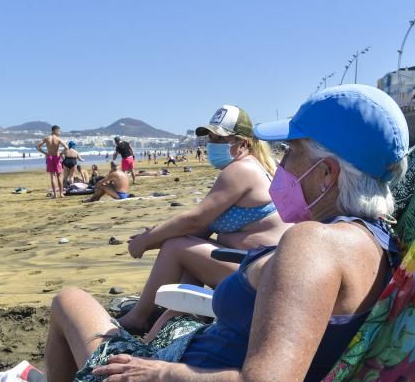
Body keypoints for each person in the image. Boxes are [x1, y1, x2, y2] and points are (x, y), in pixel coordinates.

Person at [43, 85, 408, 382]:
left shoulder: (316, 245)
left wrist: (161, 375)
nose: (282, 165)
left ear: (327, 174)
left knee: (69, 301)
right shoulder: (376, 243)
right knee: (145, 318)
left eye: (291, 152)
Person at [117, 105, 288, 333]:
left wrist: (146, 242)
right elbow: (201, 228)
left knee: (176, 247)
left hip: (258, 273)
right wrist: (151, 238)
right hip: (257, 266)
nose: (212, 144)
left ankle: (138, 318)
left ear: (243, 143)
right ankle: (179, 316)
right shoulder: (255, 166)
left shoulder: (241, 170)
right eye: (211, 138)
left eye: (220, 138)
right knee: (186, 250)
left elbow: (195, 220)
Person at [37, 125, 68, 198]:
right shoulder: (58, 139)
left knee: (52, 176)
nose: (60, 132)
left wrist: (45, 153)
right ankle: (61, 193)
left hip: (50, 157)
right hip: (57, 157)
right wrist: (61, 153)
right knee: (59, 176)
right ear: (55, 130)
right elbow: (66, 147)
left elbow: (37, 146)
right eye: (59, 131)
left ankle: (55, 194)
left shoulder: (47, 138)